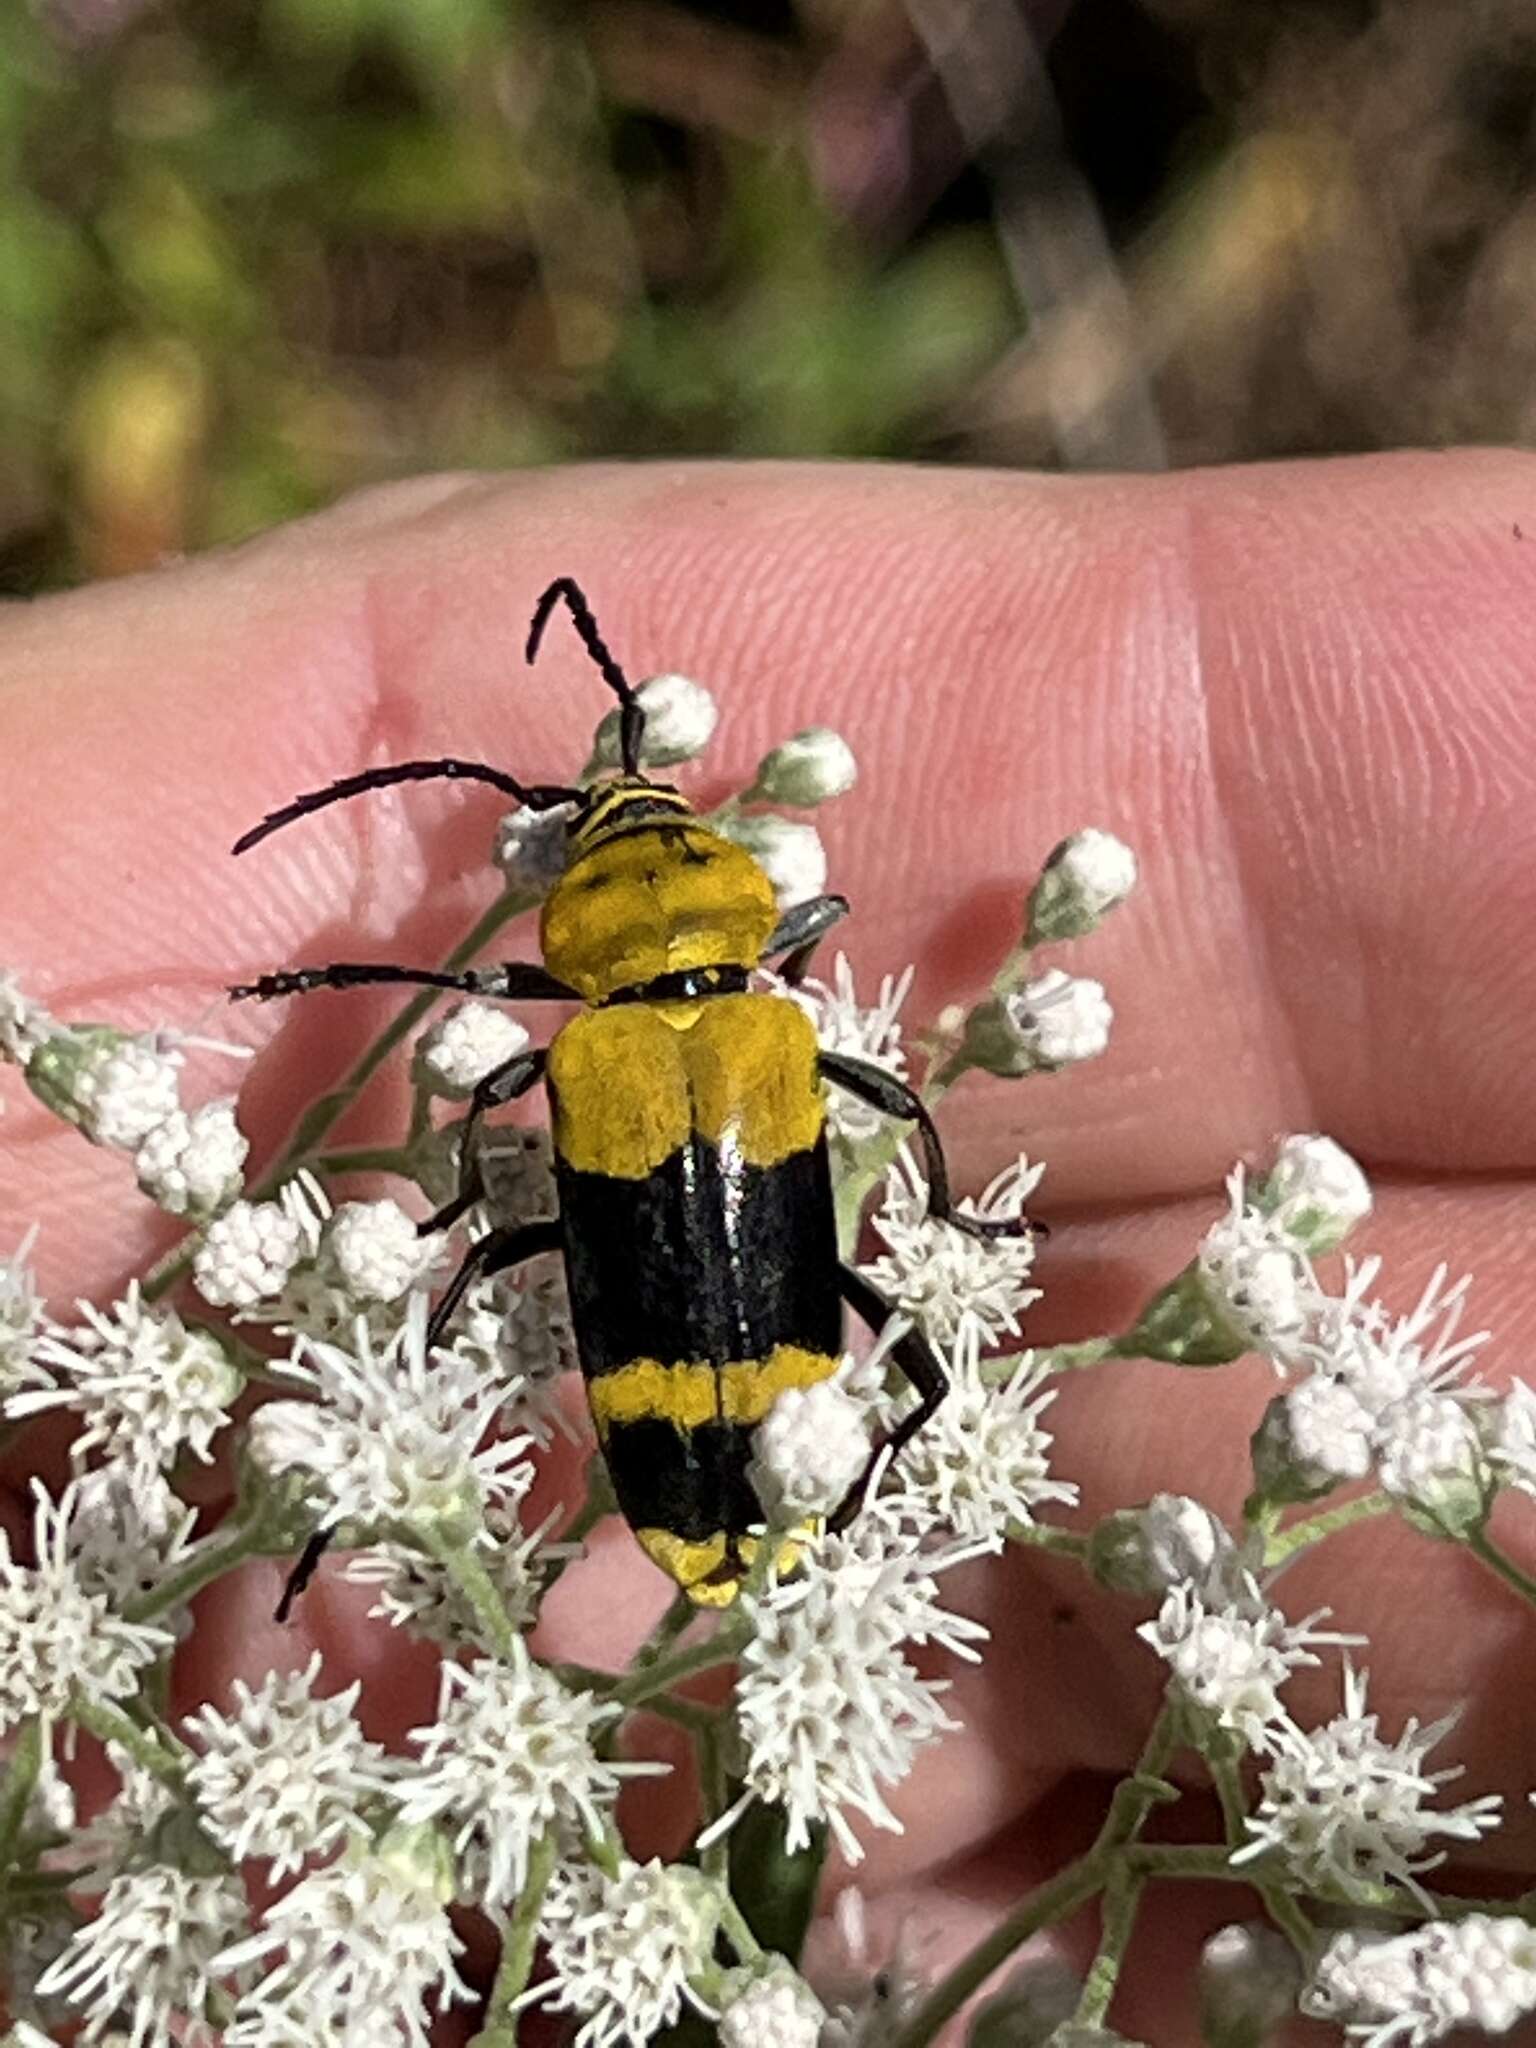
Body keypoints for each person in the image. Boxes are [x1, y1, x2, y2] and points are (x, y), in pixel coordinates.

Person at [2, 451, 1532, 2040]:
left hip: (704, 1434)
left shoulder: (567, 1053)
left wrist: (464, 1209)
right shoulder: (774, 1024)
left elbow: (494, 1129)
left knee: (500, 1237)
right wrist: (927, 1207)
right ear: (735, 906)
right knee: (826, 1293)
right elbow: (876, 1117)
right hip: (752, 1418)